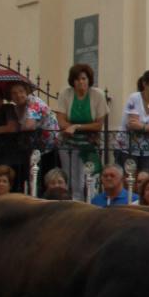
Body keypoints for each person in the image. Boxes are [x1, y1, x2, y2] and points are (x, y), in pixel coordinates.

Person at [54, 63, 109, 199]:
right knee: (72, 178)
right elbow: (61, 122)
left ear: (89, 79)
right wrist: (71, 127)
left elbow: (98, 125)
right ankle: (72, 203)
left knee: (90, 177)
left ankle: (90, 202)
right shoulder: (65, 94)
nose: (81, 82)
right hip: (68, 143)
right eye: (77, 79)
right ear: (73, 81)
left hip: (89, 144)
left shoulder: (98, 95)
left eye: (84, 78)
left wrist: (76, 126)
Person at [122, 69, 149, 170]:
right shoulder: (134, 98)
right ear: (145, 84)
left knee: (146, 178)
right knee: (129, 179)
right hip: (128, 147)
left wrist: (141, 126)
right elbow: (132, 125)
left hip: (147, 149)